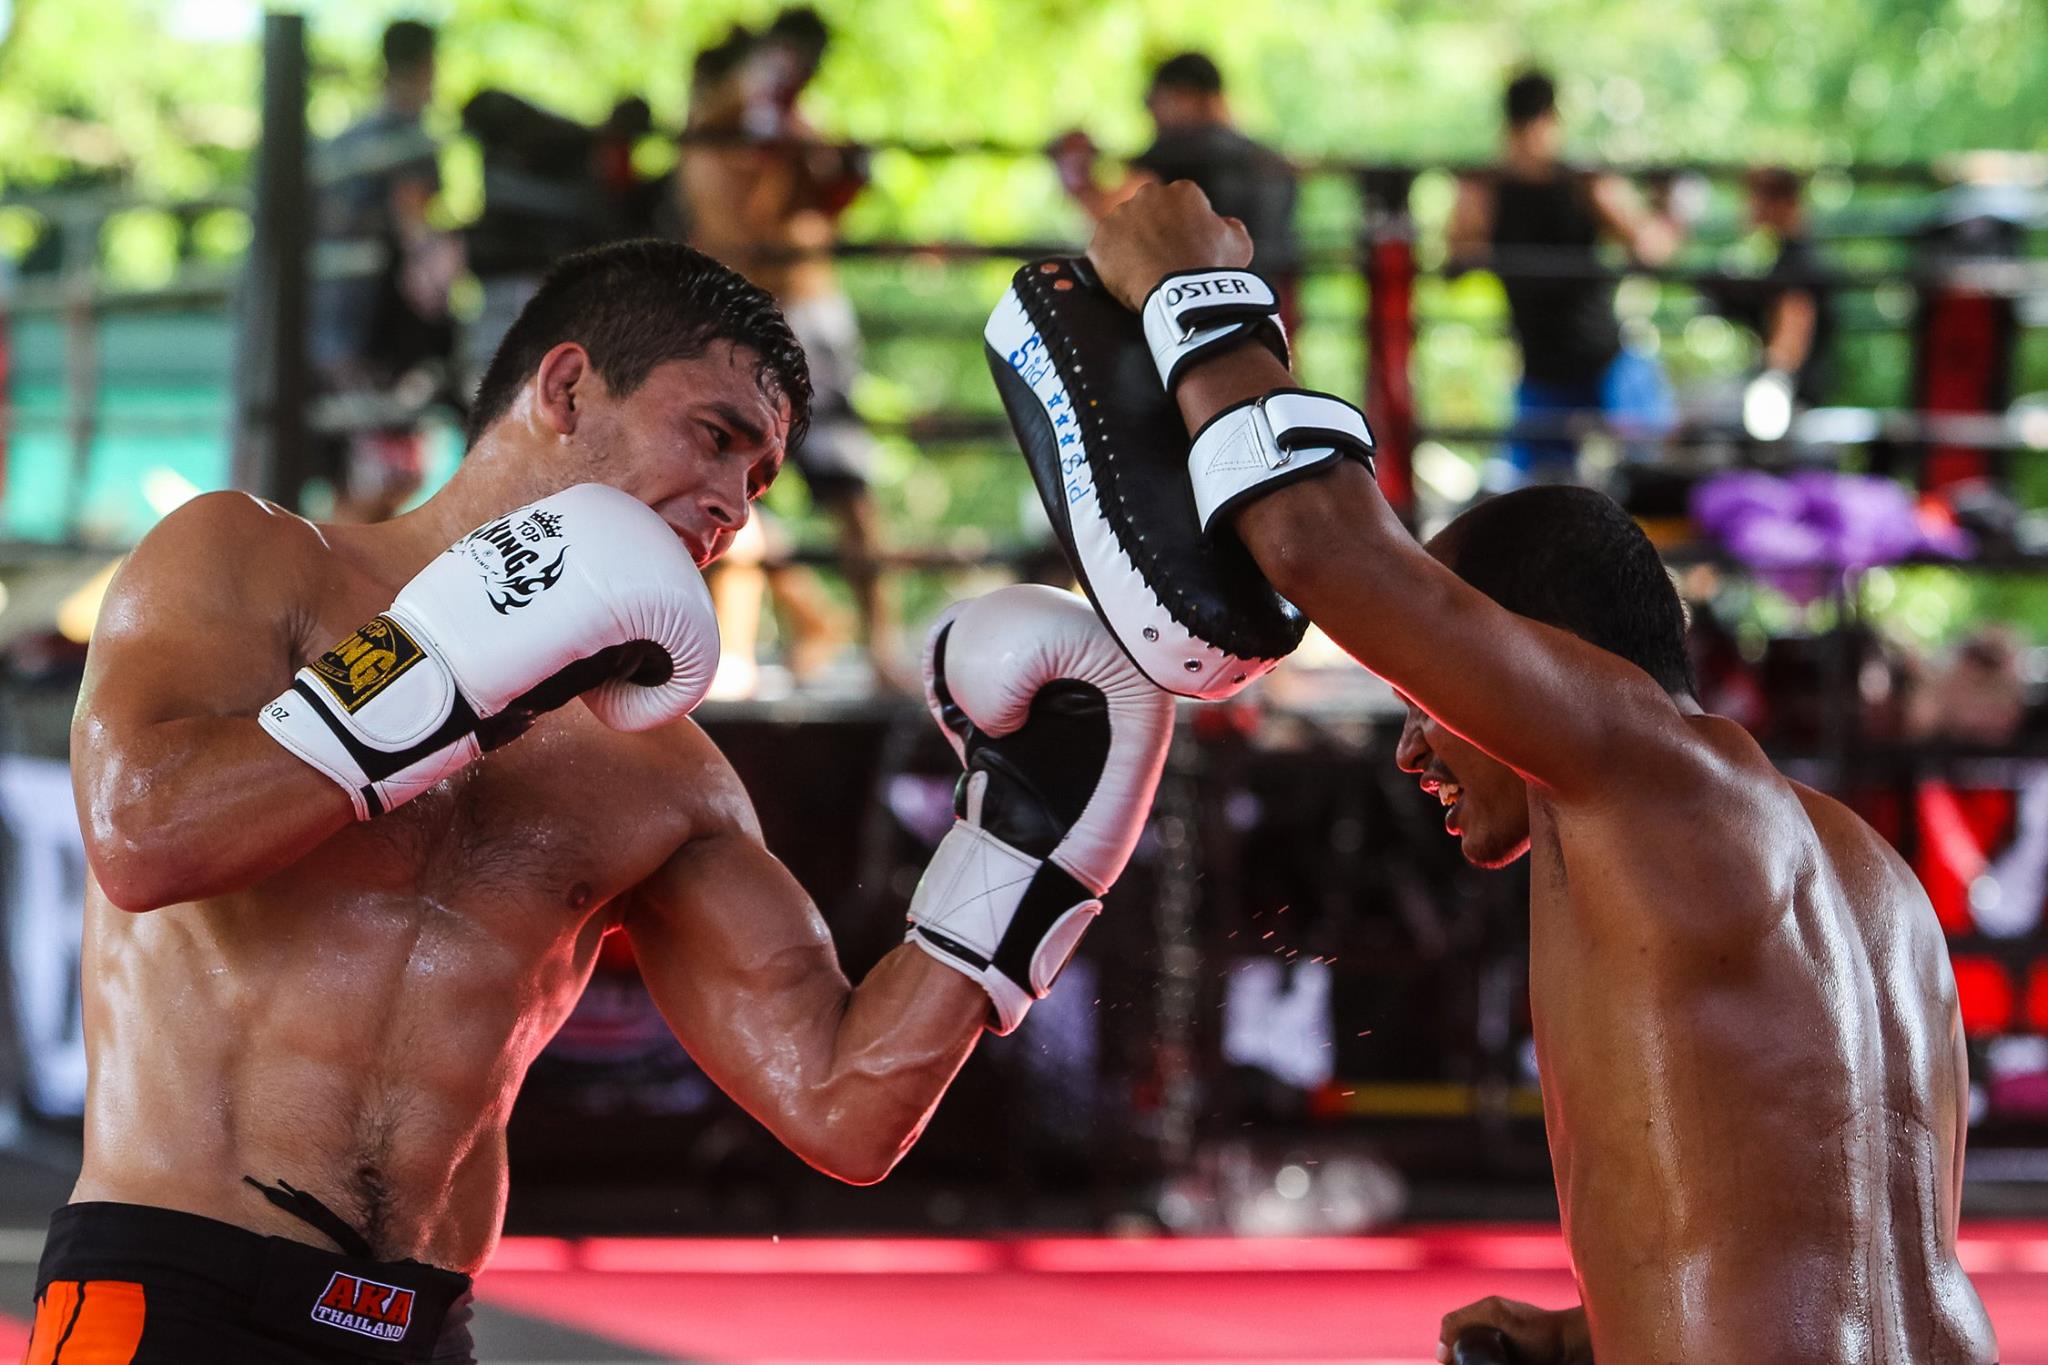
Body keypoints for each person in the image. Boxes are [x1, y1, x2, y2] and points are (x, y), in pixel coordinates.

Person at [25, 240, 1172, 1363]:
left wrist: (1018, 857)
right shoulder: (256, 562)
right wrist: (441, 673)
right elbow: (144, 837)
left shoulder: (667, 774)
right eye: (714, 438)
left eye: (758, 477)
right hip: (178, 1290)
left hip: (423, 1330)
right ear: (566, 387)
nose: (731, 504)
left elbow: (842, 1107)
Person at [1082, 181, 1997, 1363]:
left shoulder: (1642, 763)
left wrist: (1188, 288)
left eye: (1428, 697)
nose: (1413, 742)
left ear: (1542, 666)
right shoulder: (1865, 876)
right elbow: (1833, 1254)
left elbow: (1320, 544)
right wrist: (1591, 1331)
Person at [677, 14, 899, 689]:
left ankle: (879, 644)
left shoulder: (796, 125)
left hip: (803, 309)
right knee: (723, 483)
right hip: (731, 317)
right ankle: (789, 631)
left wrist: (828, 156)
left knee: (842, 482)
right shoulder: (711, 126)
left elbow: (831, 201)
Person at [1446, 69, 1688, 483]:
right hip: (1548, 372)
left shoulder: (1566, 182)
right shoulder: (1502, 188)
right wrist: (1676, 213)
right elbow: (1652, 245)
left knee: (1652, 470)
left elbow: (1455, 259)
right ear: (1552, 117)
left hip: (1600, 363)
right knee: (1537, 489)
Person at [310, 19, 463, 524]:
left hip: (323, 332)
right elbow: (416, 226)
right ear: (428, 66)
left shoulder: (342, 142)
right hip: (379, 338)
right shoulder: (409, 139)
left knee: (352, 473)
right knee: (392, 472)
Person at [1052, 51, 1299, 323]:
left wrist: (1076, 177)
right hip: (1267, 311)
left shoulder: (1174, 154)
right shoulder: (1273, 163)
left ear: (1181, 96)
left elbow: (1113, 218)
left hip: (1198, 316)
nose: (1152, 116)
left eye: (1153, 102)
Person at [1706, 166, 1841, 441]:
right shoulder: (1789, 258)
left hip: (1792, 405)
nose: (1748, 206)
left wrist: (1769, 388)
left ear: (1781, 202)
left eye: (1756, 197)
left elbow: (1789, 345)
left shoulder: (1798, 265)